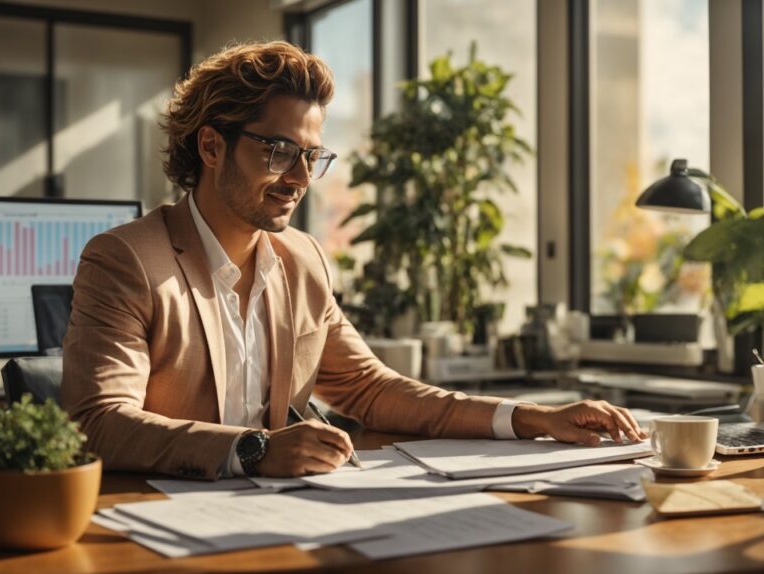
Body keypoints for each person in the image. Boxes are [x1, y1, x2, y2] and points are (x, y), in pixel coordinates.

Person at [61, 41, 645, 480]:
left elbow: (370, 387)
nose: (300, 178)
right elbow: (98, 420)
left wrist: (534, 418)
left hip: (281, 516)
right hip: (155, 523)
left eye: (312, 156)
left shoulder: (302, 260)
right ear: (212, 146)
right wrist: (254, 449)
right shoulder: (128, 259)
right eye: (279, 150)